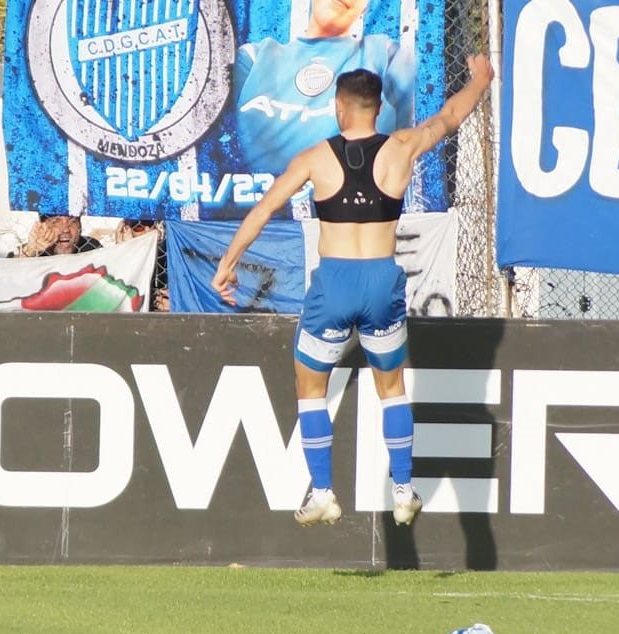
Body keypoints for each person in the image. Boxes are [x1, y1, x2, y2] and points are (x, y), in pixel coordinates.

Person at [211, 54, 494, 526]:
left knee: (310, 387)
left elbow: (263, 211)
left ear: (340, 107)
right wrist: (480, 79)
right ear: (378, 109)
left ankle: (323, 492)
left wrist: (227, 264)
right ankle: (404, 489)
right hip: (383, 279)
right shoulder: (401, 147)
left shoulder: (315, 158)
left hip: (336, 281)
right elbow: (449, 117)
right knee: (393, 388)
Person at [232, 0, 415, 175]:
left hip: (354, 203)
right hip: (261, 201)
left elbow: (414, 137)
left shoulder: (384, 55)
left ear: (366, 6)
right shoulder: (254, 58)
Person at [17, 214, 103, 257]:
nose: (66, 229)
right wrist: (30, 251)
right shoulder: (31, 252)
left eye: (72, 221)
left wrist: (117, 249)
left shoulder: (90, 247)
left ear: (80, 227)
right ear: (42, 227)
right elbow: (8, 279)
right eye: (56, 222)